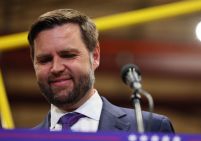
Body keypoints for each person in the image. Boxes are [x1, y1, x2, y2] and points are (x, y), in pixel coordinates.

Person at [27, 9, 174, 133]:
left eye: (68, 55)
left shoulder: (151, 128)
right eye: (45, 59)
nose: (56, 68)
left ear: (95, 56)